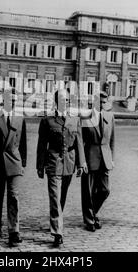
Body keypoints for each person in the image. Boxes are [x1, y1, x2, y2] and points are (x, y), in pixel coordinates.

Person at [36, 89, 87, 248]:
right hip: (53, 161)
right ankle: (58, 232)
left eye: (67, 99)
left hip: (69, 162)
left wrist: (81, 163)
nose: (65, 102)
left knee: (62, 196)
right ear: (56, 101)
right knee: (55, 197)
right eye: (62, 99)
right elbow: (41, 145)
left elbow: (79, 142)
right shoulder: (48, 120)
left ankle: (58, 221)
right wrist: (40, 165)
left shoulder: (75, 119)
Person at [0, 87, 27, 247]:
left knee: (14, 196)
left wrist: (23, 164)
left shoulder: (20, 119)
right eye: (10, 100)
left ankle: (14, 231)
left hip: (14, 162)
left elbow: (23, 144)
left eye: (15, 101)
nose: (13, 103)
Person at [81, 91, 115, 232]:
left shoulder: (110, 116)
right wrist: (81, 161)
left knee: (105, 190)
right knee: (88, 191)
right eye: (99, 102)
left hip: (105, 159)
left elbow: (112, 140)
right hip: (90, 157)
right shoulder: (85, 117)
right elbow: (79, 141)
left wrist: (112, 158)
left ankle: (92, 213)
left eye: (103, 102)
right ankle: (89, 220)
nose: (101, 104)